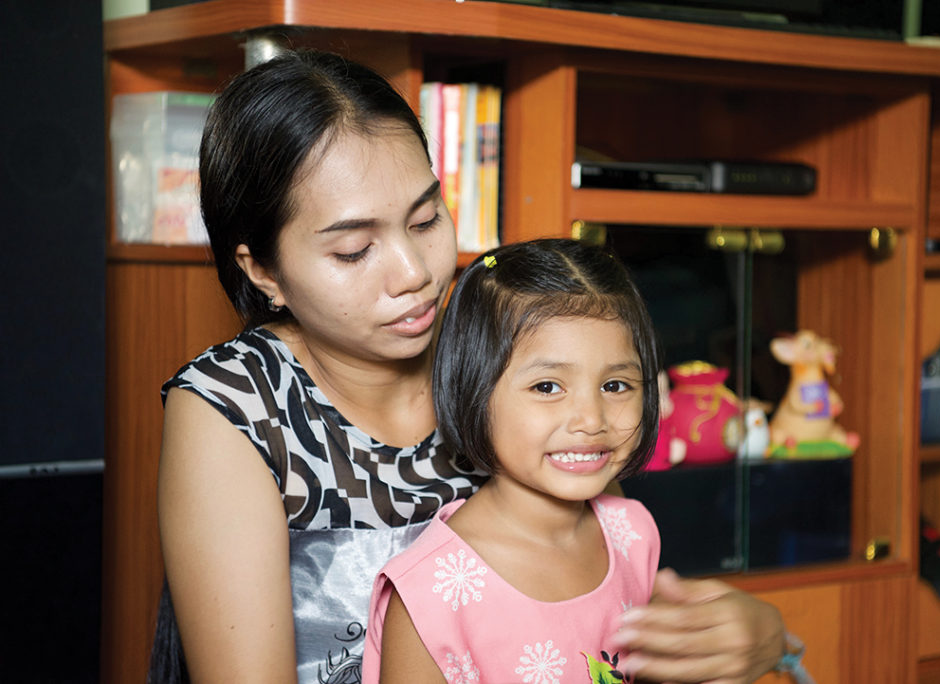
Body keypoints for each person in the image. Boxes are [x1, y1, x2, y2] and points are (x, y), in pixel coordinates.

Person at [152, 48, 789, 684]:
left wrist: (763, 640)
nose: (416, 273)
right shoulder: (233, 406)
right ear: (262, 270)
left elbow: (600, 607)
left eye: (427, 219)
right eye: (353, 250)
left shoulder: (498, 345)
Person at [362, 238, 662, 683]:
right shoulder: (433, 592)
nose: (591, 420)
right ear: (474, 393)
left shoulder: (632, 535)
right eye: (547, 387)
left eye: (616, 385)